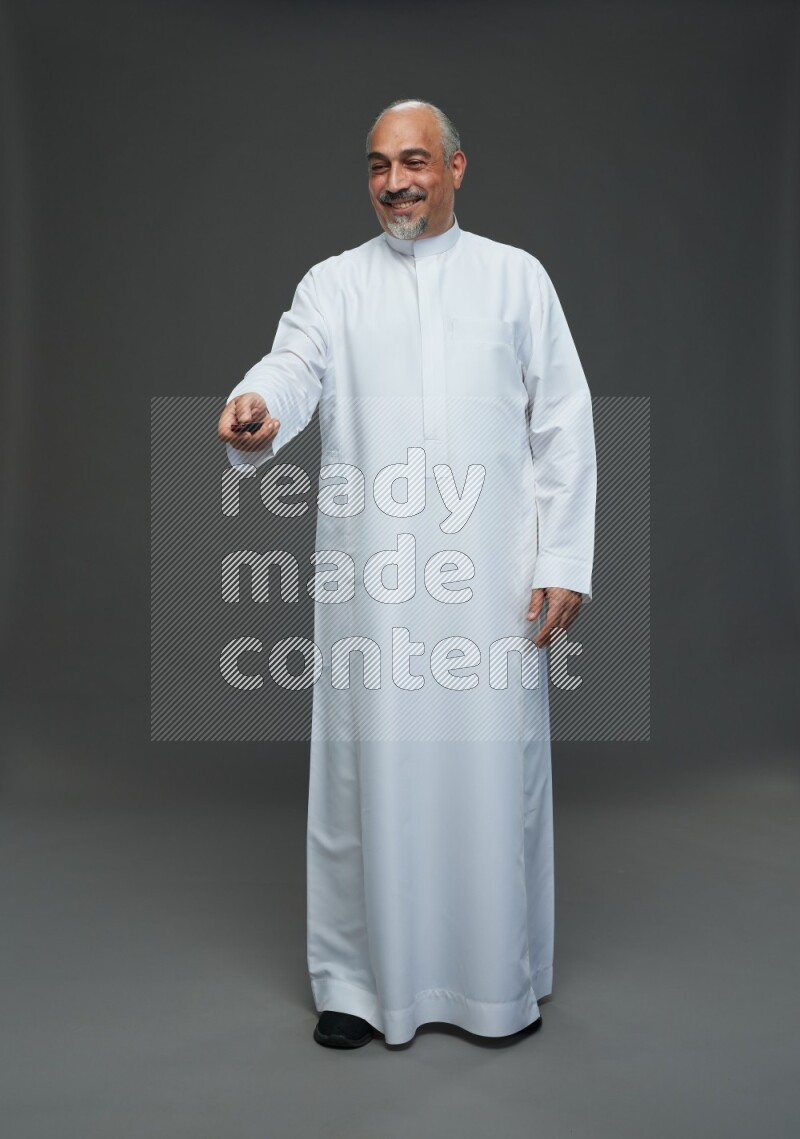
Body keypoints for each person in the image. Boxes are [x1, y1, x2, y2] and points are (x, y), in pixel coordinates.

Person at [217, 99, 597, 1049]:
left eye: (417, 161)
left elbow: (564, 423)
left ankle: (494, 983)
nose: (398, 181)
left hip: (490, 584)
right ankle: (354, 981)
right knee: (363, 774)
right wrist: (258, 401)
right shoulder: (335, 285)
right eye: (382, 165)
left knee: (486, 772)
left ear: (458, 168)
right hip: (372, 588)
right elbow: (294, 363)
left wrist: (563, 560)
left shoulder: (517, 280)